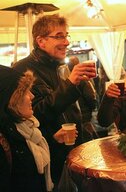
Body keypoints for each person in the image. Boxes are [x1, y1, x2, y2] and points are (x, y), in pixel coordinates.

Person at [12, 14, 95, 187]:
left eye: (66, 36)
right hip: (51, 157)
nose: (66, 42)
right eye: (59, 36)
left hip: (74, 150)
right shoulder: (23, 70)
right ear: (41, 41)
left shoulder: (61, 67)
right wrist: (71, 84)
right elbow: (34, 114)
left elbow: (74, 109)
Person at [0, 65, 76, 191]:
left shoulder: (25, 128)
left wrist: (54, 141)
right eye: (24, 92)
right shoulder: (5, 141)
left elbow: (34, 165)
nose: (32, 96)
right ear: (10, 100)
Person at [68, 56, 98, 142]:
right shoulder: (83, 80)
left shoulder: (67, 81)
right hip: (85, 118)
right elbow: (90, 98)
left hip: (74, 119)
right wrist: (93, 106)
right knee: (89, 142)